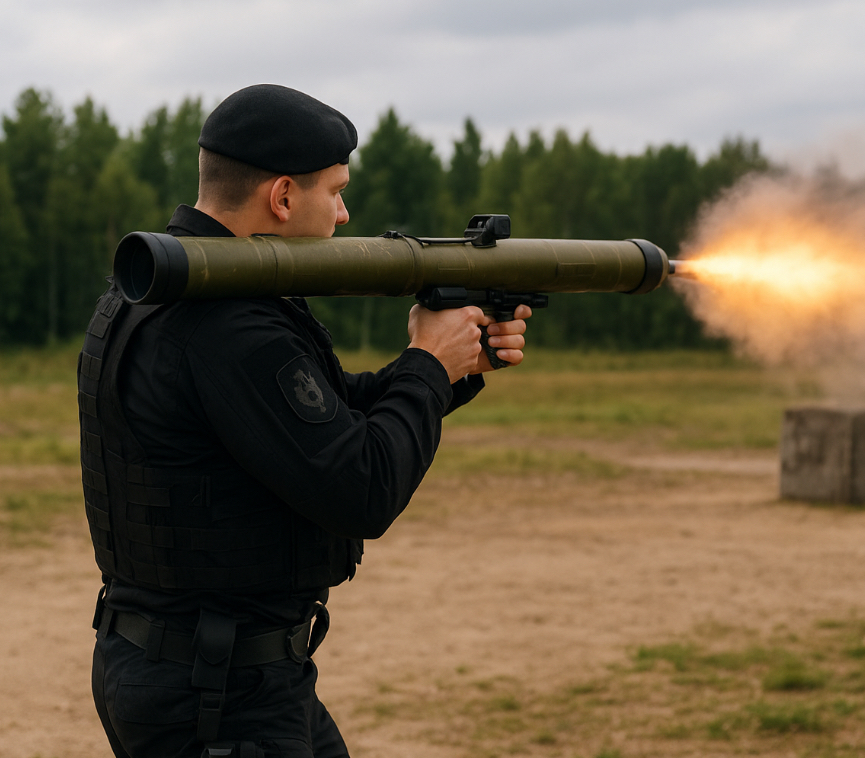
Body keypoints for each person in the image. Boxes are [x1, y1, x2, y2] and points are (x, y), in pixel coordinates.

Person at [77, 84, 531, 758]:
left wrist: (447, 371)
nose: (345, 215)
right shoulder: (229, 324)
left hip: (214, 671)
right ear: (284, 197)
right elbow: (361, 486)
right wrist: (424, 365)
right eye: (336, 192)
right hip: (219, 696)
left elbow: (325, 414)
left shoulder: (167, 291)